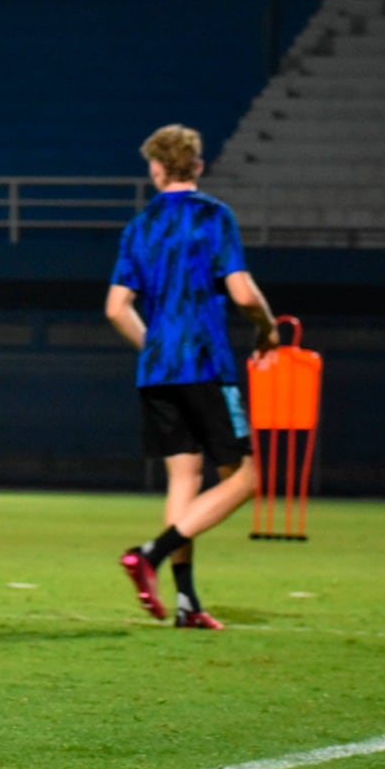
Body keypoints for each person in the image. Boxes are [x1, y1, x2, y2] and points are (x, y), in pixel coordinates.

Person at [106, 124, 281, 630]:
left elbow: (117, 308)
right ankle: (150, 554)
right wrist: (267, 331)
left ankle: (186, 604)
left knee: (184, 476)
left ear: (156, 169)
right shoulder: (214, 216)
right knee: (247, 479)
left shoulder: (139, 226)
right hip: (205, 364)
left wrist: (155, 347)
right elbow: (244, 294)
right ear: (199, 166)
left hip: (157, 371)